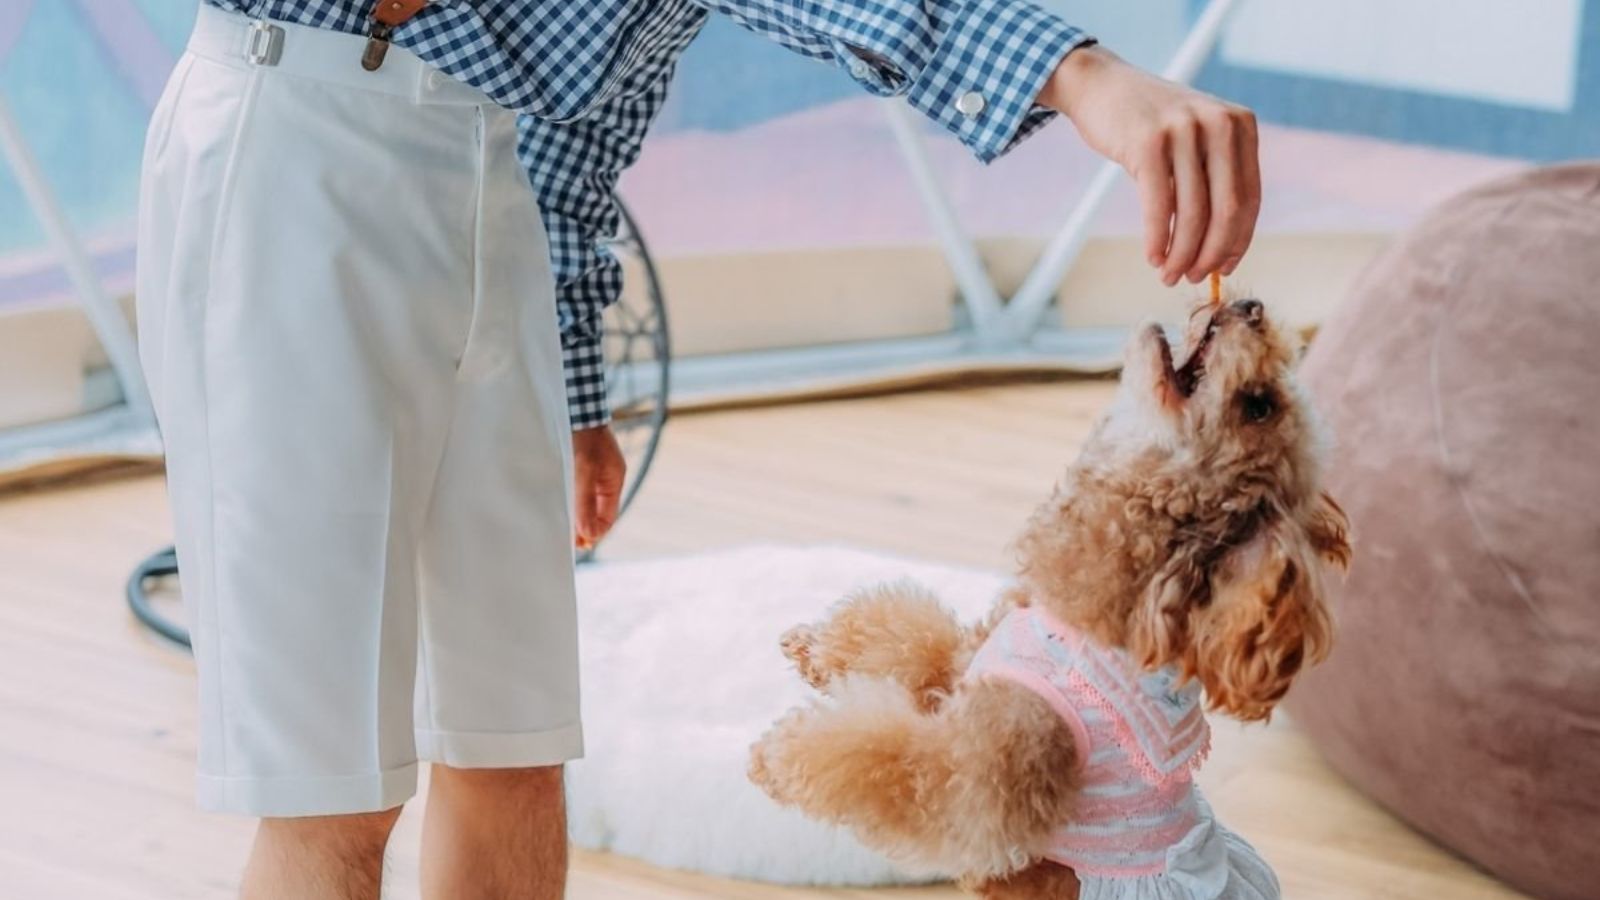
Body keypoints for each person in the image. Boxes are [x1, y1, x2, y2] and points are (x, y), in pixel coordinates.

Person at [135, 1, 1261, 898]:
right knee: (333, 799)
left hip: (495, 195)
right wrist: (1079, 76)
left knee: (511, 750)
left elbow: (568, 154)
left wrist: (573, 387)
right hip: (299, 147)